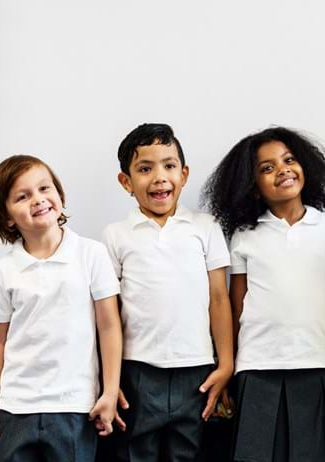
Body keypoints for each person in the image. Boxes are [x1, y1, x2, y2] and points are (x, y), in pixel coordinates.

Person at [202, 126, 325, 462]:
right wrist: (226, 365)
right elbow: (235, 305)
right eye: (267, 167)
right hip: (256, 368)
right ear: (253, 186)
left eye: (288, 160)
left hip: (315, 365)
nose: (283, 170)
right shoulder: (244, 235)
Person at [103, 123, 233, 461]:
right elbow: (110, 314)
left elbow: (219, 299)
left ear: (184, 174)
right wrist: (110, 378)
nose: (160, 177)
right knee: (136, 450)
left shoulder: (205, 228)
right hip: (137, 369)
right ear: (126, 182)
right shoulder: (116, 235)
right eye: (145, 169)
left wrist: (226, 362)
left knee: (188, 451)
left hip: (197, 369)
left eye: (169, 165)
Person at [0, 155, 122, 462]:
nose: (37, 200)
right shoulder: (2, 271)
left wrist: (110, 392)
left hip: (74, 406)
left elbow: (109, 326)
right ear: (7, 217)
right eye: (22, 197)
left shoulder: (91, 254)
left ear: (59, 195)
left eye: (44, 188)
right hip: (16, 407)